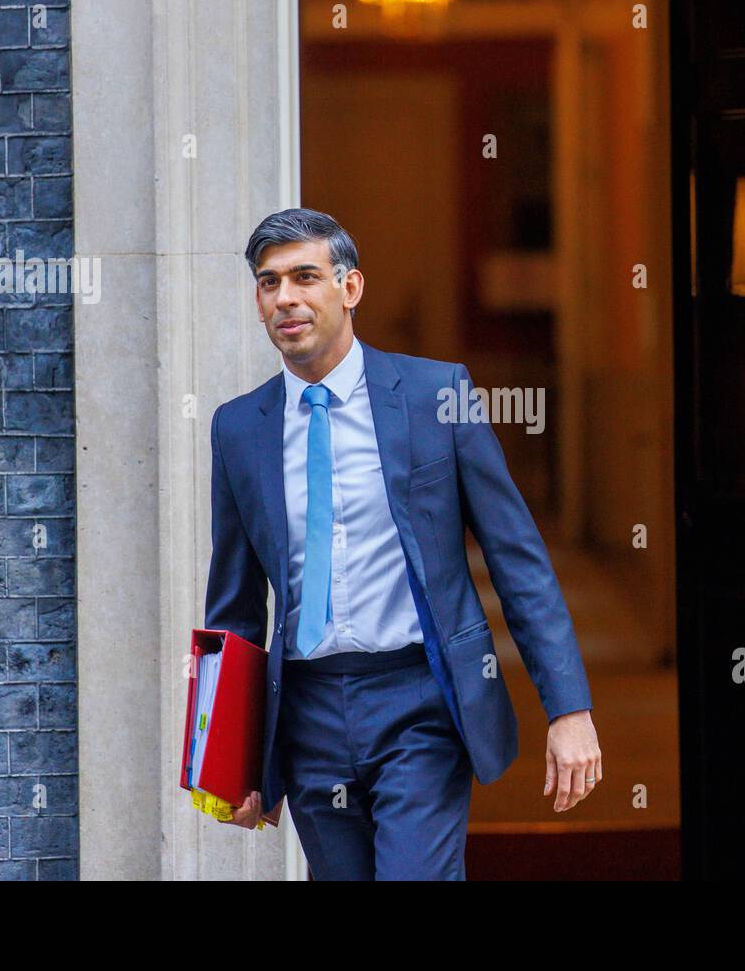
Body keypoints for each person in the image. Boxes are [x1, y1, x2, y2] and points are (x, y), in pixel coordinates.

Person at [204, 207, 601, 880]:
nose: (286, 299)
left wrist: (569, 710)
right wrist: (227, 759)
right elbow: (234, 603)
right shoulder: (239, 427)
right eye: (269, 284)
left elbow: (517, 558)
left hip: (419, 703)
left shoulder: (435, 395)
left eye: (305, 276)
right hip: (308, 717)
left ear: (350, 287)